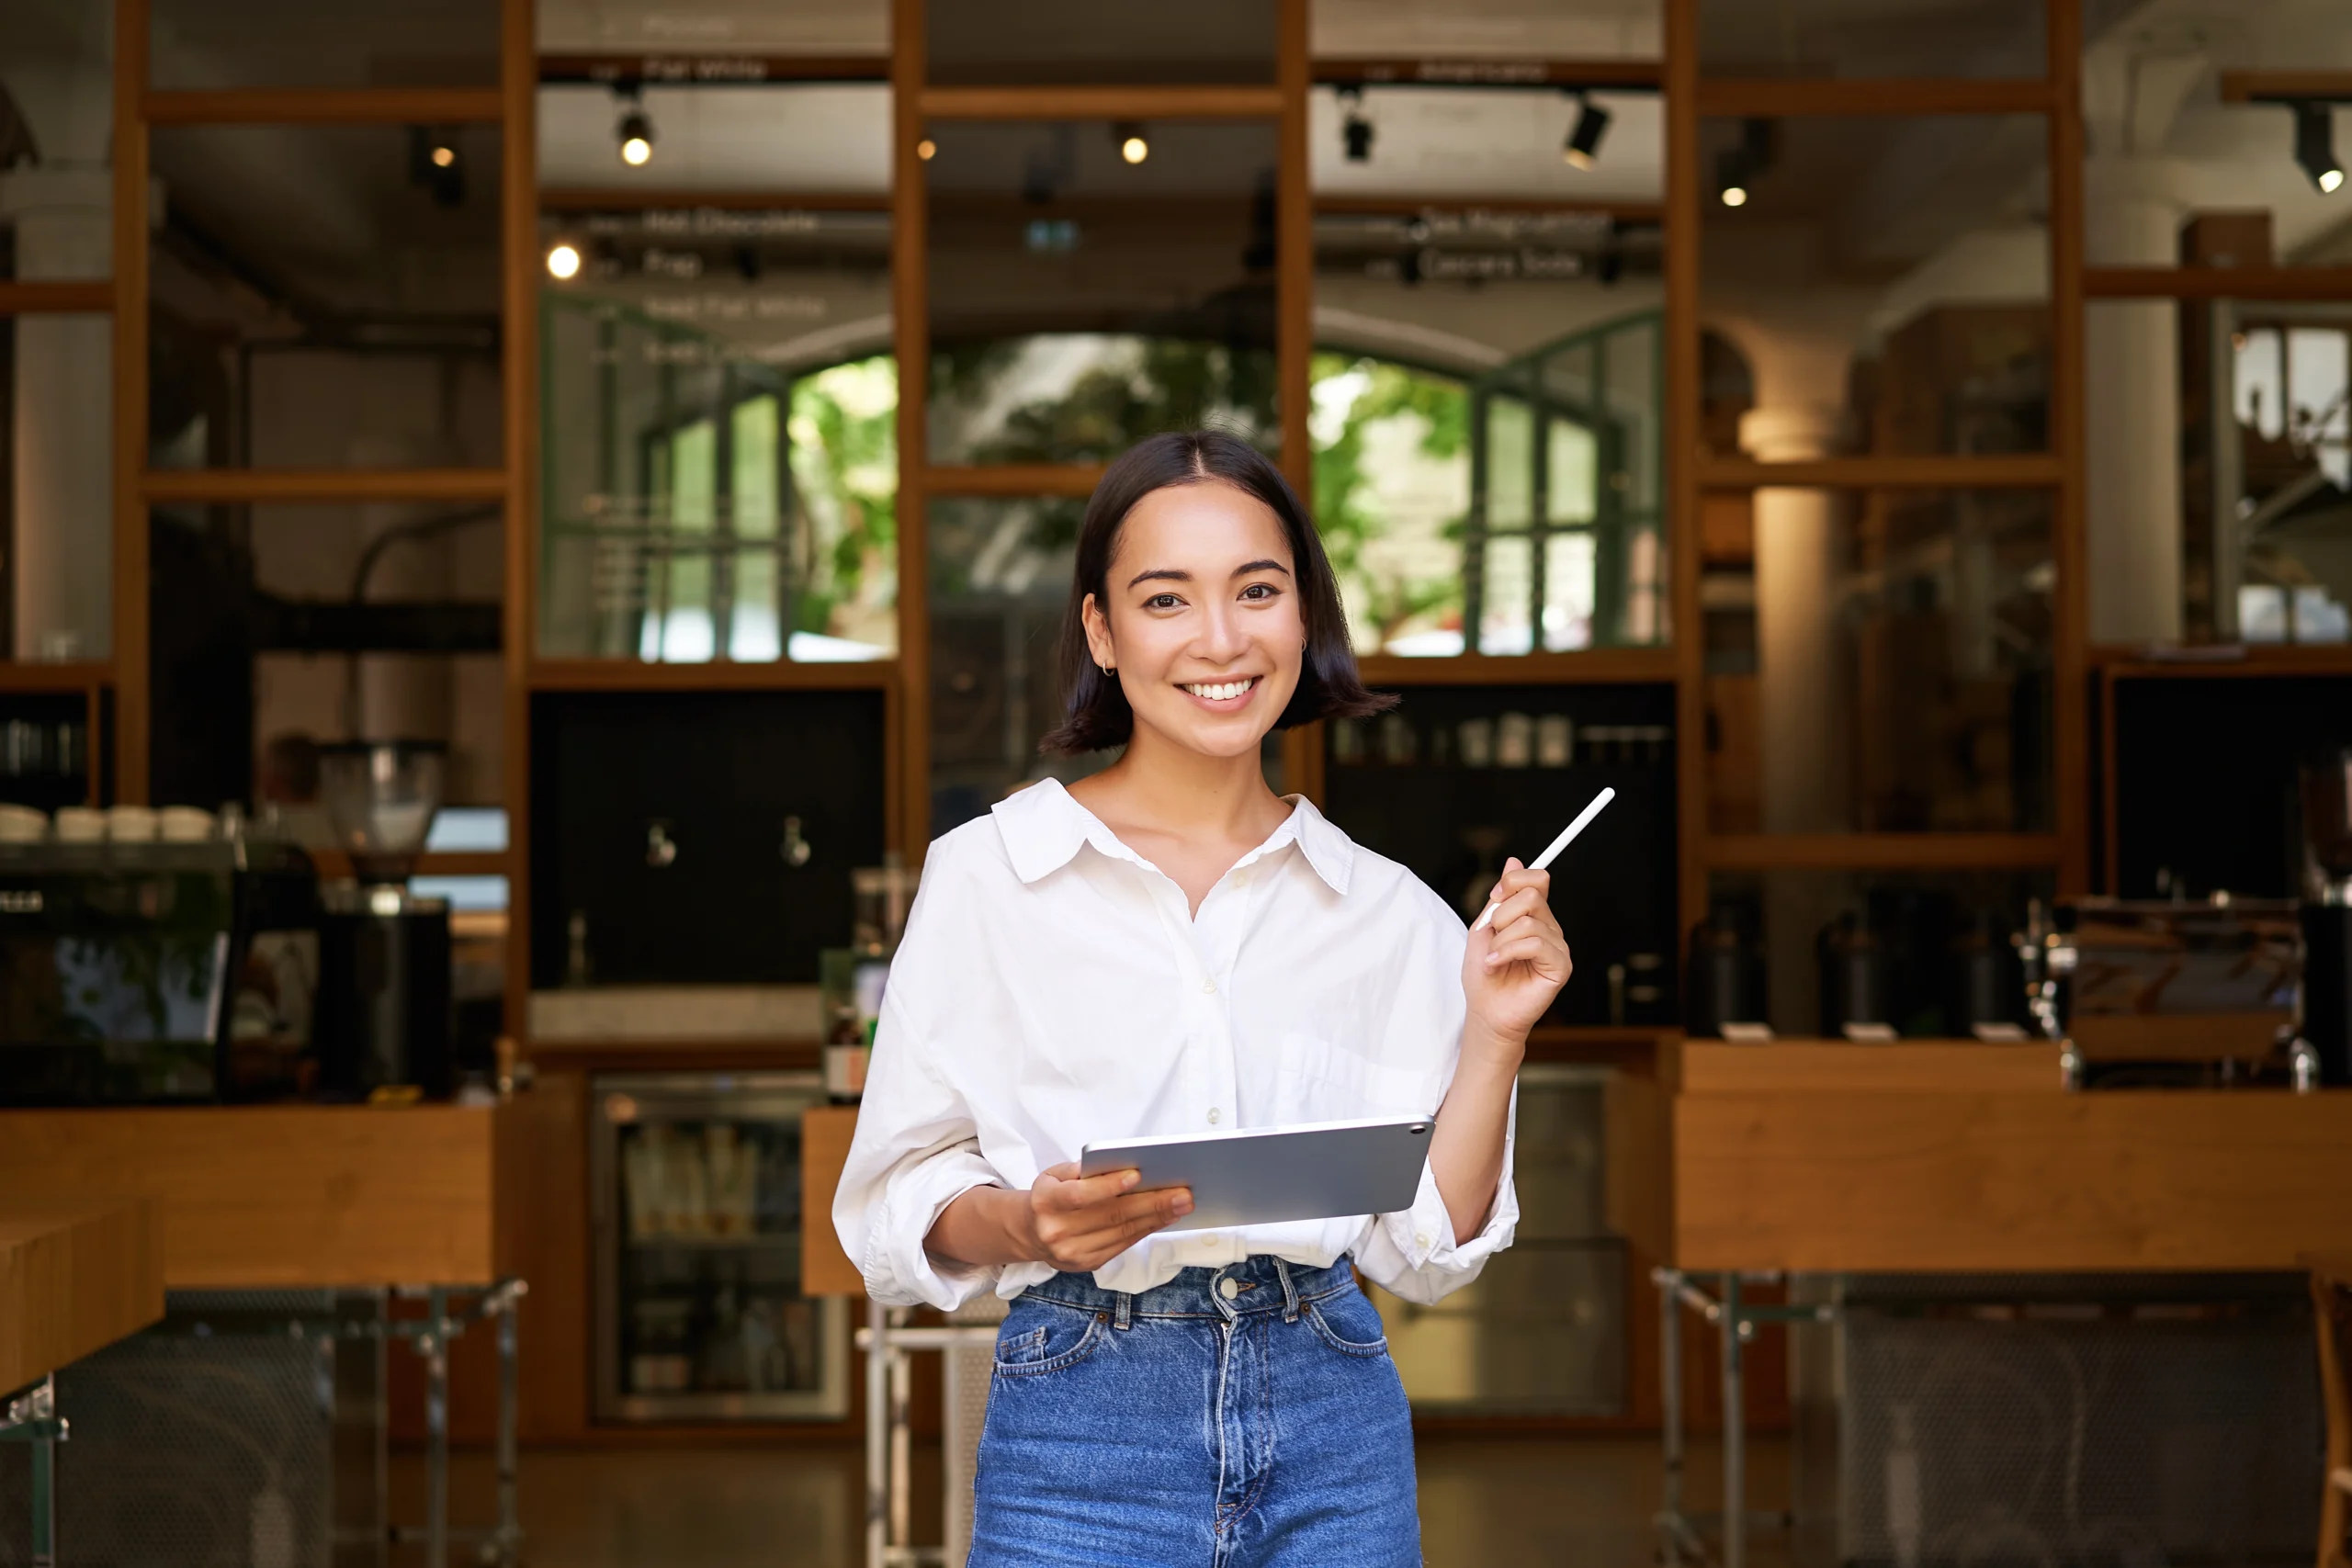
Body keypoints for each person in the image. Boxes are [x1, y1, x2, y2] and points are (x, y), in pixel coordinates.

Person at [833, 429, 1571, 1567]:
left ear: (1303, 615)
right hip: (1079, 1425)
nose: (1221, 639)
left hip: (1334, 1419)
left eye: (1257, 590)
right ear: (1102, 631)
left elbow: (1428, 1248)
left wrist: (1496, 1037)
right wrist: (1026, 1223)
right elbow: (898, 1198)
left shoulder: (1389, 911)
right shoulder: (989, 876)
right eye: (1166, 599)